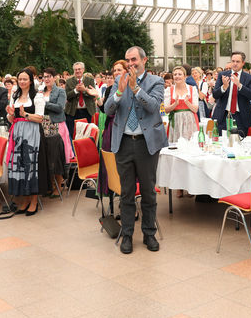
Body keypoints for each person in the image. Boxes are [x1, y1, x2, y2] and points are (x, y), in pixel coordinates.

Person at [106, 46, 168, 254]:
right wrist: (120, 92)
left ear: (144, 60)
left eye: (134, 59)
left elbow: (153, 106)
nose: (130, 64)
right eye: (127, 60)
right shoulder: (118, 81)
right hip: (124, 143)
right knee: (126, 193)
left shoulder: (156, 82)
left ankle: (149, 234)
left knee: (149, 192)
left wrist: (135, 89)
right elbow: (107, 109)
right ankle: (127, 235)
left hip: (146, 144)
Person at [5, 68, 45, 216]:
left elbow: (40, 118)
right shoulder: (14, 97)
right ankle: (25, 199)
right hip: (17, 133)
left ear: (30, 81)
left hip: (32, 133)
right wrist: (10, 114)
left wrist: (26, 114)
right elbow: (11, 119)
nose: (22, 82)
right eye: (20, 79)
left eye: (25, 79)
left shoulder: (37, 97)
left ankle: (34, 200)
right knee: (19, 166)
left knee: (31, 165)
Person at [40, 68, 72, 196]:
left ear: (54, 77)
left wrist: (44, 103)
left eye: (49, 76)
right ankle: (50, 185)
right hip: (43, 125)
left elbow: (59, 108)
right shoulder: (40, 91)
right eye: (44, 77)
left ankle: (58, 186)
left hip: (57, 125)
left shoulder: (60, 91)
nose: (46, 79)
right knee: (46, 156)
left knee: (57, 156)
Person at [211, 51, 251, 136]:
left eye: (238, 61)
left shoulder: (249, 78)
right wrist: (224, 87)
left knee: (239, 145)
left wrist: (239, 85)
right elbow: (215, 95)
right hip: (223, 115)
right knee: (222, 144)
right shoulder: (223, 75)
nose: (235, 64)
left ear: (243, 63)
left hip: (241, 117)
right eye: (233, 61)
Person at [164, 66, 199, 142]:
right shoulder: (169, 90)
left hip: (190, 121)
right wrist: (175, 104)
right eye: (175, 74)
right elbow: (166, 110)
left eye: (179, 74)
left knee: (190, 144)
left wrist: (187, 102)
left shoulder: (192, 89)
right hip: (176, 121)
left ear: (185, 76)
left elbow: (195, 110)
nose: (177, 76)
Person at [64, 61, 97, 138]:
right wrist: (75, 91)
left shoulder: (90, 80)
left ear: (83, 70)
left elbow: (93, 96)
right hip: (73, 112)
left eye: (79, 69)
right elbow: (67, 96)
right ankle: (73, 149)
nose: (77, 71)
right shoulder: (69, 81)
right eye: (75, 69)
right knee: (73, 134)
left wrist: (84, 90)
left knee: (86, 134)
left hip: (87, 111)